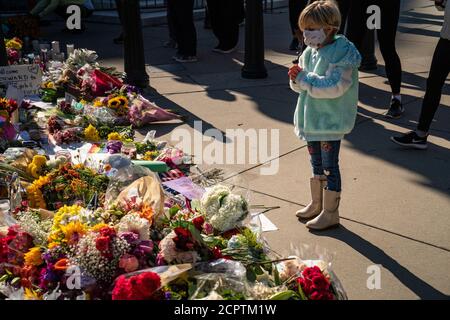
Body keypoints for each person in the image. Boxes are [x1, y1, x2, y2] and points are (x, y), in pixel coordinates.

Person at [288, 0, 361, 230]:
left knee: (330, 166)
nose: (305, 34)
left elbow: (335, 85)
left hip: (330, 120)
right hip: (311, 119)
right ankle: (317, 203)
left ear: (329, 28)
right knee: (316, 163)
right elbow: (303, 85)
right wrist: (295, 79)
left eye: (310, 29)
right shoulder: (310, 51)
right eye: (304, 29)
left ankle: (331, 212)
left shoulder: (342, 53)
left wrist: (303, 79)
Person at [391, 0, 450, 149]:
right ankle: (420, 135)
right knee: (433, 85)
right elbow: (441, 5)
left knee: (434, 85)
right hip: (446, 40)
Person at [346, 0, 404, 119]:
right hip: (361, 4)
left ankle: (396, 99)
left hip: (386, 4)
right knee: (351, 48)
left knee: (387, 47)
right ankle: (344, 96)